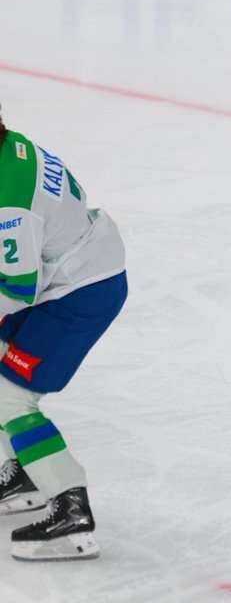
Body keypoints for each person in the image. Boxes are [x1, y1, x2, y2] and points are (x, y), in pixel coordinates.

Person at [0, 107, 127, 561]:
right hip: (73, 272)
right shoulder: (12, 147)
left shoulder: (9, 201)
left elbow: (16, 288)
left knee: (9, 397)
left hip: (78, 295)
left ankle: (70, 509)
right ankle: (25, 475)